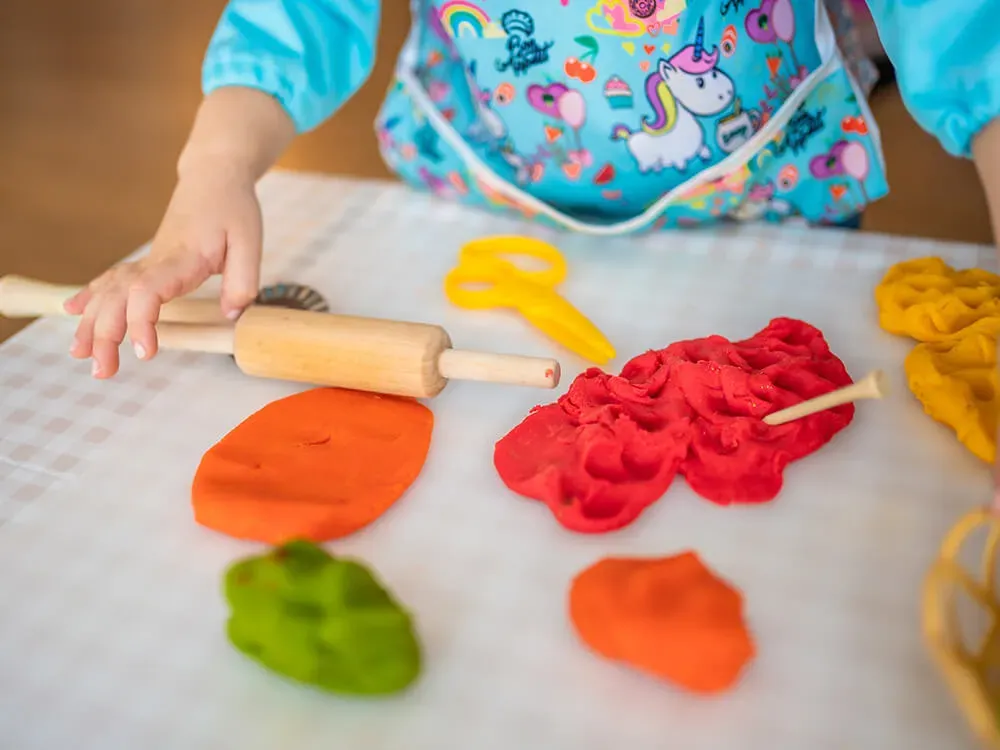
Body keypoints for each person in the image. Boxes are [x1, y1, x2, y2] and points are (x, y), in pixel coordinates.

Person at [66, 0, 1000, 378]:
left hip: (775, 217)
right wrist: (217, 166)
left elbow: (976, 45)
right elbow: (296, 16)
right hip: (476, 203)